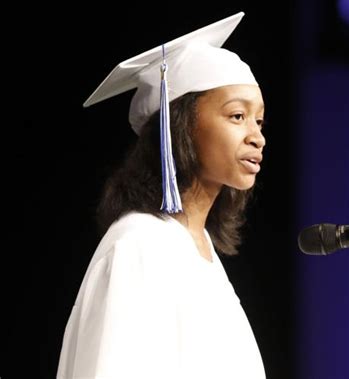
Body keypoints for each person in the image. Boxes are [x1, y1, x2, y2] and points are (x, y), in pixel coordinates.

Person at [56, 12, 267, 379]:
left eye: (259, 121)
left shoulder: (200, 251)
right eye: (237, 116)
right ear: (182, 126)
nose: (256, 137)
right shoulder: (138, 243)